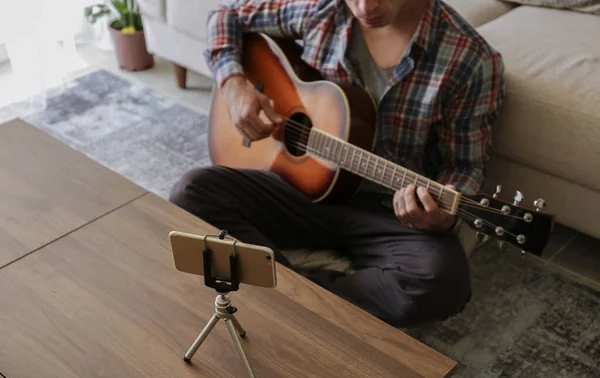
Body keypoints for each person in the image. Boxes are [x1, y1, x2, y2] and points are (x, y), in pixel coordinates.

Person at [169, 0, 506, 327]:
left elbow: (465, 167)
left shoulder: (470, 59)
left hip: (388, 211)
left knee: (442, 284)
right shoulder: (323, 9)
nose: (365, 7)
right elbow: (226, 15)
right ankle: (310, 303)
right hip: (297, 187)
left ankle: (290, 294)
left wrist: (442, 215)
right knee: (191, 193)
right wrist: (233, 83)